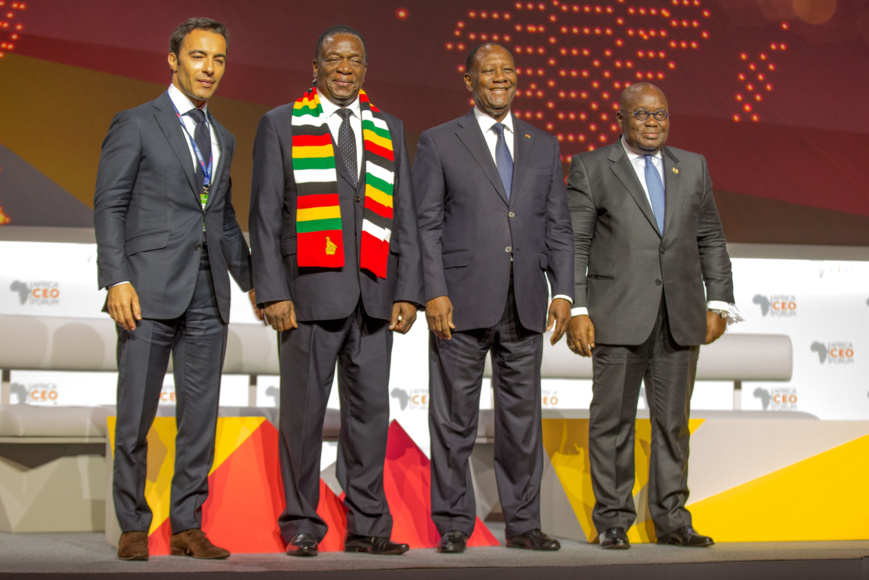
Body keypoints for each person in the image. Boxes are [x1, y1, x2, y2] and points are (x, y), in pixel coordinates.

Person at [249, 25, 423, 558]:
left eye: (354, 60)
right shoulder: (280, 124)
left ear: (365, 71)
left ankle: (369, 525)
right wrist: (272, 293)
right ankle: (301, 522)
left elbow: (405, 216)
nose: (344, 68)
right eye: (334, 58)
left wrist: (409, 291)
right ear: (316, 66)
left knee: (369, 419)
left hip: (374, 296)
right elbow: (263, 214)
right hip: (306, 300)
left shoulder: (387, 127)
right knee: (302, 419)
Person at [93, 17, 258, 561]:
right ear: (173, 60)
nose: (209, 68)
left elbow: (224, 221)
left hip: (209, 296)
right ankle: (134, 524)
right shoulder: (136, 123)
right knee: (135, 417)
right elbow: (110, 205)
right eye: (198, 57)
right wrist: (116, 278)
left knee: (199, 420)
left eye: (218, 59)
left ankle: (187, 524)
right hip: (146, 293)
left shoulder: (223, 136)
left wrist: (257, 283)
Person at [413, 42, 574, 554]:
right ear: (469, 80)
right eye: (488, 71)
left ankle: (524, 524)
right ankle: (454, 523)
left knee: (523, 425)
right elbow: (426, 224)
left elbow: (559, 227)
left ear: (517, 78)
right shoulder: (439, 142)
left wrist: (565, 292)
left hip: (525, 302)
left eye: (507, 70)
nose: (499, 78)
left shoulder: (543, 145)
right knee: (453, 421)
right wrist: (433, 290)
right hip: (458, 304)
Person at [566, 82, 736, 549]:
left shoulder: (693, 166)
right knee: (613, 423)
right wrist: (577, 306)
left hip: (679, 318)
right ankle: (614, 520)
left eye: (660, 114)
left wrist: (719, 301)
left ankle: (672, 519)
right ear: (620, 119)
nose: (653, 122)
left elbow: (711, 238)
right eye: (642, 115)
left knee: (673, 424)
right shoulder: (592, 167)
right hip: (617, 316)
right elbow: (576, 244)